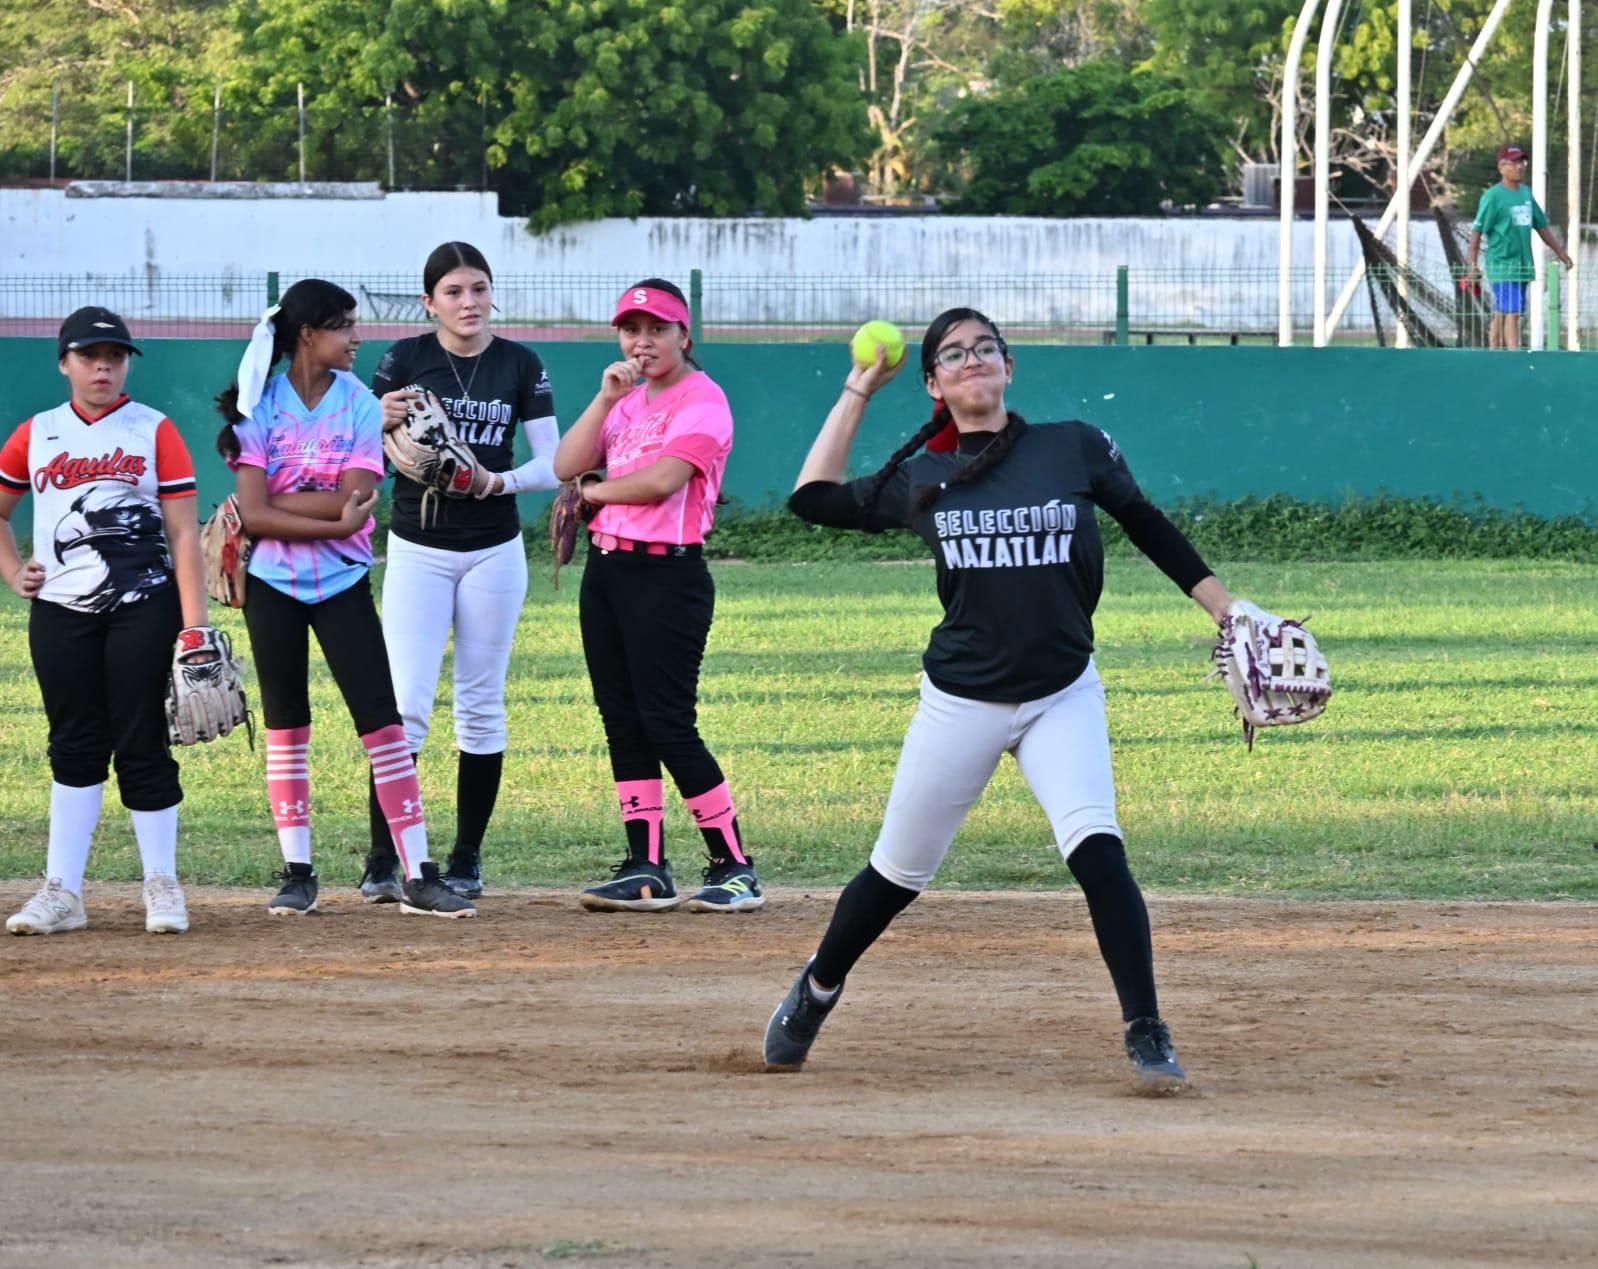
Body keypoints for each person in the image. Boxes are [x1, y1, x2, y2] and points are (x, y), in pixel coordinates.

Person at [762, 307, 1251, 1093]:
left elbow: (1146, 523)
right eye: (953, 354)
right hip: (962, 700)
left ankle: (1146, 1025)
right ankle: (818, 986)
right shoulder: (920, 477)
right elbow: (810, 499)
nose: (972, 358)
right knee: (895, 873)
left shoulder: (1073, 445)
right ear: (933, 383)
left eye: (985, 347)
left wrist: (1225, 607)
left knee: (1099, 851)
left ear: (1009, 366)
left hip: (1062, 692)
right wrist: (858, 388)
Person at [216, 278, 473, 918]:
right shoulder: (259, 404)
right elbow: (253, 514)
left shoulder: (360, 402)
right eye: (344, 326)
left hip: (341, 583)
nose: (357, 338)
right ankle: (298, 872)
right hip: (272, 586)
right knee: (287, 725)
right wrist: (325, 519)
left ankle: (418, 871)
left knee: (383, 724)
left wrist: (296, 510)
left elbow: (354, 505)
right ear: (309, 335)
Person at [553, 279, 760, 913]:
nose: (642, 342)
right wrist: (603, 398)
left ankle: (735, 866)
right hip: (608, 573)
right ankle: (645, 866)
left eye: (657, 330)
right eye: (631, 330)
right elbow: (565, 464)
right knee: (624, 723)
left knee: (669, 722)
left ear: (684, 336)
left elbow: (662, 482)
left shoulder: (704, 400)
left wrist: (590, 494)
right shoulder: (625, 402)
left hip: (667, 577)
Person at [361, 242, 560, 902]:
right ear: (429, 302)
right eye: (453, 291)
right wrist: (373, 417)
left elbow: (553, 463)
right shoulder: (404, 359)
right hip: (418, 546)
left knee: (480, 706)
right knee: (405, 708)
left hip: (493, 550)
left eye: (478, 287)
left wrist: (494, 480)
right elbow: (355, 443)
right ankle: (383, 858)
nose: (469, 301)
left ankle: (467, 856)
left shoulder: (520, 364)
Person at [1, 307, 206, 935]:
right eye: (89, 356)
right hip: (60, 611)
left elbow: (182, 532)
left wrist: (194, 625)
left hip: (144, 607)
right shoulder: (36, 434)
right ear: (64, 362)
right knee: (74, 744)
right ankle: (63, 891)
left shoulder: (155, 429)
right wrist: (13, 572)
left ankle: (161, 883)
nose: (103, 366)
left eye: (114, 357)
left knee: (143, 740)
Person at [1466, 144, 1573, 350]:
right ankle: (1514, 356)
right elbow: (1476, 233)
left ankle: (1493, 351)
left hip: (1522, 264)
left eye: (1522, 162)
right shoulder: (1493, 196)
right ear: (1501, 167)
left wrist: (1561, 253)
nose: (1519, 167)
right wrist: (1472, 267)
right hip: (1502, 263)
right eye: (1514, 163)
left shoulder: (1525, 193)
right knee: (1513, 312)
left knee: (1504, 309)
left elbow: (1541, 226)